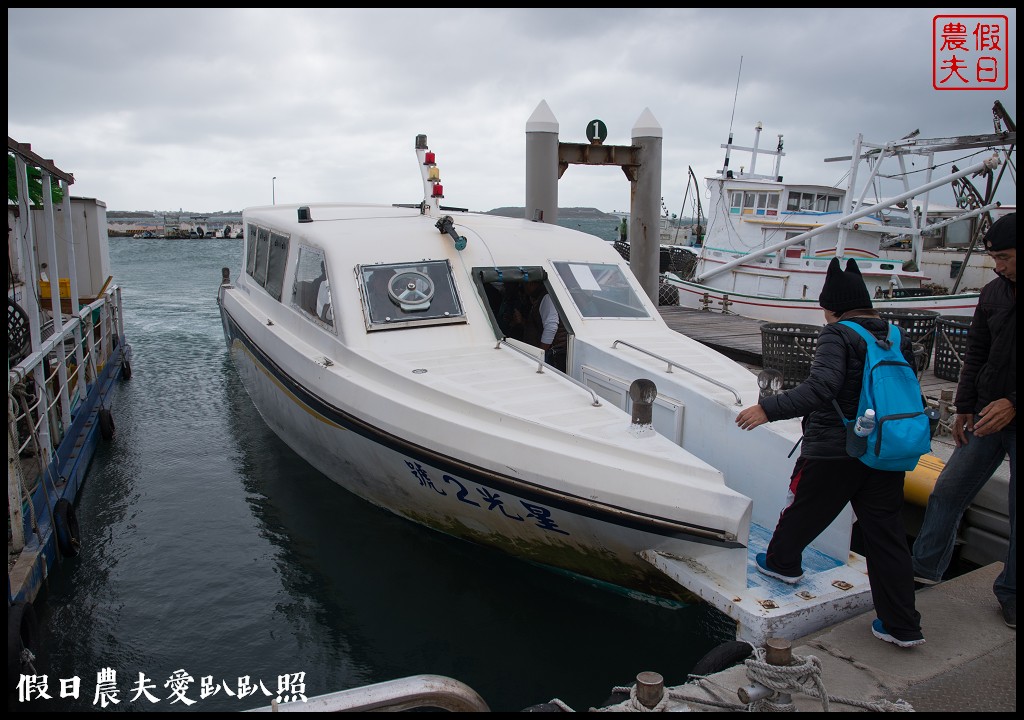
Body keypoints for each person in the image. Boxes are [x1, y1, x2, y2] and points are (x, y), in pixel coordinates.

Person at [735, 257, 925, 648]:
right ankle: (903, 625)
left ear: (833, 306)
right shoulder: (894, 334)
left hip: (837, 448)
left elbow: (820, 388)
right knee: (886, 538)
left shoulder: (837, 335)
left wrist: (766, 409)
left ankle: (783, 564)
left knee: (803, 509)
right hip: (884, 448)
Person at [912, 212, 1016, 629]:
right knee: (947, 491)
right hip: (987, 416)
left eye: (1005, 257)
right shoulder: (993, 292)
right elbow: (976, 352)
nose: (998, 266)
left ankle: (1011, 594)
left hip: (1009, 409)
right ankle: (923, 572)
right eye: (994, 258)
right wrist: (966, 406)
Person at [523, 280, 567, 372]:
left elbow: (551, 327)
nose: (524, 288)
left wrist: (541, 352)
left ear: (531, 283)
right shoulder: (540, 297)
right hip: (553, 351)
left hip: (553, 353)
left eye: (525, 284)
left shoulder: (546, 297)